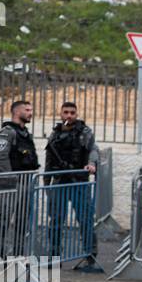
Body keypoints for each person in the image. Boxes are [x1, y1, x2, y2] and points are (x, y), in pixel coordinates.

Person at [44, 101, 101, 271]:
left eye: (72, 113)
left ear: (76, 114)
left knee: (85, 220)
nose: (69, 115)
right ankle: (54, 257)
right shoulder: (55, 134)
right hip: (59, 182)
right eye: (66, 112)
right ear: (61, 114)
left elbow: (93, 149)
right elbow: (49, 159)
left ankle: (90, 257)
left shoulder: (84, 132)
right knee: (55, 221)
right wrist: (46, 185)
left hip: (79, 181)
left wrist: (91, 163)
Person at [0, 100, 40, 260]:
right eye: (27, 109)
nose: (30, 112)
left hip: (26, 182)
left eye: (31, 109)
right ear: (16, 112)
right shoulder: (8, 132)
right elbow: (2, 157)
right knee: (4, 219)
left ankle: (18, 255)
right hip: (12, 183)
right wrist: (9, 179)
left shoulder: (25, 133)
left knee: (21, 221)